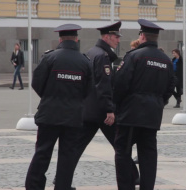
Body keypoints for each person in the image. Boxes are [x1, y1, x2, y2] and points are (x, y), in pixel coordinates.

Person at [25, 24, 92, 190]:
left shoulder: (50, 58)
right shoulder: (84, 61)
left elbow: (37, 83)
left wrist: (49, 97)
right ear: (76, 39)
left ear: (60, 39)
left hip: (49, 115)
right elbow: (89, 90)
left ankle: (34, 186)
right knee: (67, 156)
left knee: (42, 153)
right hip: (73, 117)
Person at [72, 21, 139, 185]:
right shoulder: (102, 56)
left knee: (76, 147)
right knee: (121, 144)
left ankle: (61, 177)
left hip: (89, 109)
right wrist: (110, 110)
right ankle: (134, 176)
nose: (118, 40)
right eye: (116, 37)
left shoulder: (91, 52)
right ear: (107, 37)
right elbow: (103, 85)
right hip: (102, 112)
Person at [113, 19, 175, 190]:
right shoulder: (166, 60)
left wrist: (118, 106)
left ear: (142, 36)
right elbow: (171, 87)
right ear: (156, 38)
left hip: (131, 115)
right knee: (148, 154)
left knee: (122, 152)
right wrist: (158, 102)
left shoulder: (133, 56)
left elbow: (120, 85)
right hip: (152, 115)